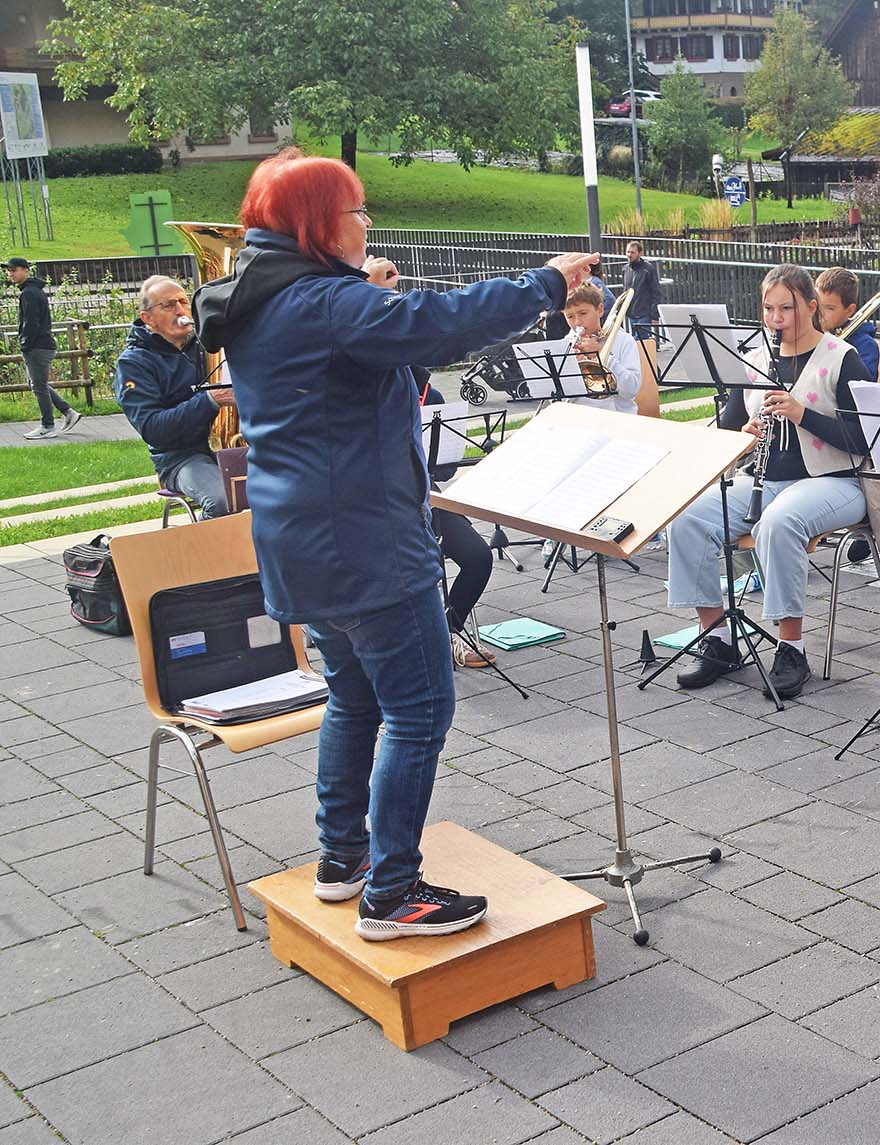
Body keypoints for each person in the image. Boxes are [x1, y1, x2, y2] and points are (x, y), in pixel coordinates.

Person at [192, 148, 597, 940]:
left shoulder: (259, 295)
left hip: (299, 538)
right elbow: (435, 325)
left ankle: (343, 860)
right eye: (359, 211)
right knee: (419, 706)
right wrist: (546, 283)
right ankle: (393, 894)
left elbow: (386, 351)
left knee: (356, 694)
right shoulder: (319, 300)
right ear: (319, 223)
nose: (367, 224)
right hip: (366, 542)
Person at [665, 264, 873, 701]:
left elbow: (861, 440)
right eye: (769, 308)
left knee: (776, 523)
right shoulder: (755, 359)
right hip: (766, 479)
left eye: (787, 308)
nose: (776, 319)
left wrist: (803, 414)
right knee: (684, 517)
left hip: (835, 481)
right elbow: (728, 428)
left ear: (812, 308)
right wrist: (742, 437)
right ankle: (717, 639)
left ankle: (791, 648)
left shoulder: (841, 357)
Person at [114, 275, 232, 517]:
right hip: (180, 457)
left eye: (183, 301)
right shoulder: (134, 363)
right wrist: (210, 400)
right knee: (222, 500)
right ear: (148, 318)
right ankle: (203, 552)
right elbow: (154, 429)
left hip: (234, 446)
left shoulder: (206, 345)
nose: (179, 309)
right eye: (168, 305)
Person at [418, 373, 497, 669]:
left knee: (478, 557)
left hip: (424, 492)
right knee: (420, 565)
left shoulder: (431, 396)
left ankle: (447, 631)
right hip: (375, 504)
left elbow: (445, 471)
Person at [8, 257, 81, 440]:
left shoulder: (29, 293)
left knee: (38, 386)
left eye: (14, 270)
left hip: (37, 346)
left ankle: (47, 425)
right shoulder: (32, 290)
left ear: (25, 270)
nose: (10, 274)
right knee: (36, 384)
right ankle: (67, 412)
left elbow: (30, 322)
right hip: (40, 344)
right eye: (8, 271)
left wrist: (25, 342)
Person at [560, 283, 642, 416]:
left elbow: (631, 389)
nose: (577, 322)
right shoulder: (565, 345)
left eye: (583, 313)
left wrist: (603, 356)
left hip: (618, 419)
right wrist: (571, 368)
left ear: (600, 310)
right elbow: (558, 399)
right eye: (570, 316)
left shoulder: (623, 341)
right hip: (579, 420)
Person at [815, 267, 878, 380]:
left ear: (849, 310)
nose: (820, 313)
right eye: (817, 305)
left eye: (830, 308)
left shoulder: (865, 345)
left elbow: (864, 387)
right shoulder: (812, 335)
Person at [622, 240, 663, 336]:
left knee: (641, 341)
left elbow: (656, 292)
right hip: (631, 312)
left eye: (632, 252)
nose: (629, 255)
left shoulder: (648, 270)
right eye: (628, 252)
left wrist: (654, 315)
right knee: (636, 342)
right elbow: (625, 289)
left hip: (644, 312)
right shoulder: (626, 269)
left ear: (640, 253)